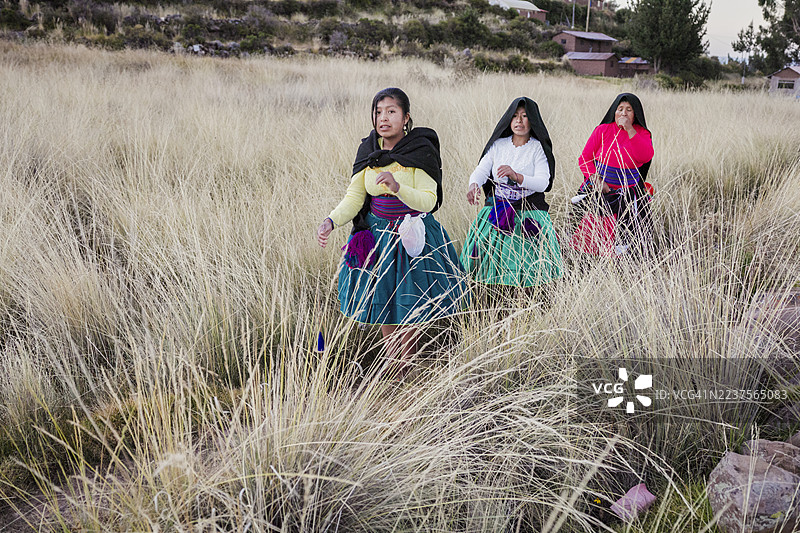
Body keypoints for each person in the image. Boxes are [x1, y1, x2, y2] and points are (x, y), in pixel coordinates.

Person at [316, 88, 466, 371]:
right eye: (378, 112)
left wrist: (398, 188)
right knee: (383, 299)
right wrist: (331, 221)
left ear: (406, 117)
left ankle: (405, 363)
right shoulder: (368, 152)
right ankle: (392, 360)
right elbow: (354, 197)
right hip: (377, 237)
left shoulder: (420, 150)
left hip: (413, 236)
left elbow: (429, 200)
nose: (383, 118)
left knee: (410, 301)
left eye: (391, 111)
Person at [460, 97, 563, 289]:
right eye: (515, 116)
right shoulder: (498, 145)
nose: (519, 121)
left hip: (527, 211)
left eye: (525, 116)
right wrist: (473, 184)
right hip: (498, 208)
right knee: (483, 253)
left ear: (533, 121)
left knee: (522, 258)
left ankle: (523, 297)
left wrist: (516, 176)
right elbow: (482, 170)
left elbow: (543, 182)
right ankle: (489, 294)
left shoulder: (537, 148)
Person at [569, 93, 654, 256]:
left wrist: (629, 129)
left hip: (628, 194)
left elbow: (645, 156)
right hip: (598, 189)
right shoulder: (602, 130)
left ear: (635, 114)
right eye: (620, 109)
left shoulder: (642, 133)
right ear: (613, 112)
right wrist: (597, 180)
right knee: (589, 237)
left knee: (626, 241)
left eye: (629, 110)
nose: (623, 113)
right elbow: (585, 159)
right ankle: (587, 260)